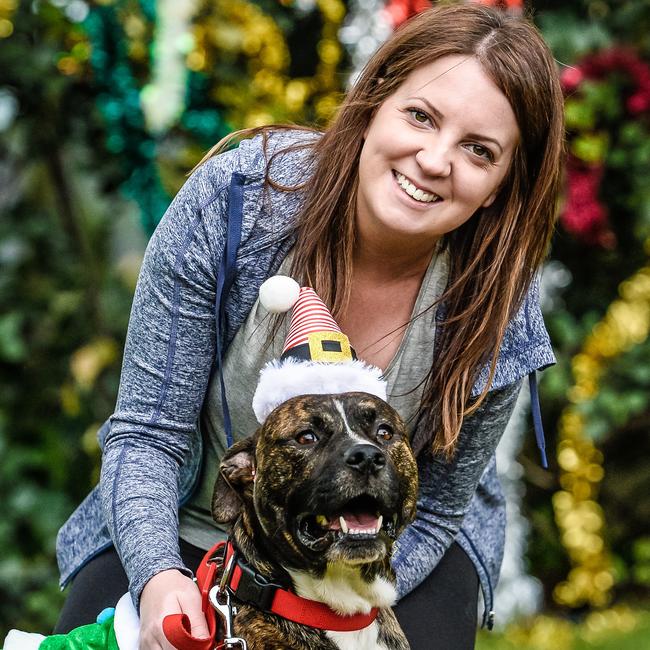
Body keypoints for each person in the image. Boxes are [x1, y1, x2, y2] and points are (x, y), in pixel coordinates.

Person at [53, 4, 564, 649]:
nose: (435, 160)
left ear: (498, 185)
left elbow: (435, 507)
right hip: (190, 514)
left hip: (389, 546)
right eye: (420, 117)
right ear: (372, 102)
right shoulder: (236, 201)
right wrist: (158, 578)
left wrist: (336, 611)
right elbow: (150, 435)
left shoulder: (495, 306)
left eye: (478, 150)